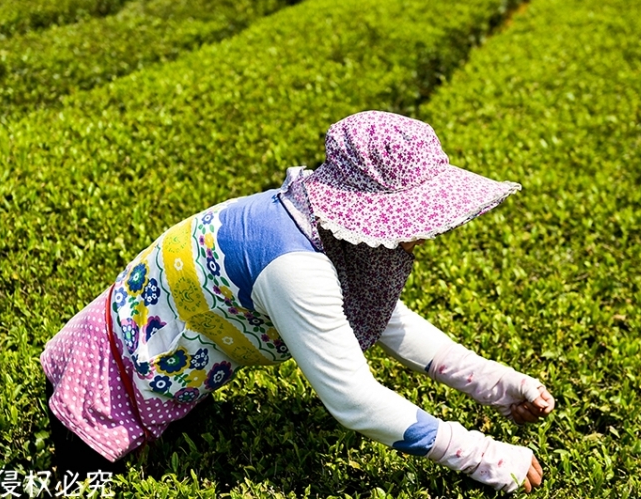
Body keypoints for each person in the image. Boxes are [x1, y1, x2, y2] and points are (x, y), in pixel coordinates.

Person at [40, 111, 556, 493]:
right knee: (66, 487)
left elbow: (387, 324)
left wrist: (499, 386)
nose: (429, 231)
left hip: (169, 355)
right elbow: (354, 400)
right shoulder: (295, 266)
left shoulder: (314, 218)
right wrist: (481, 455)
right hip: (114, 368)